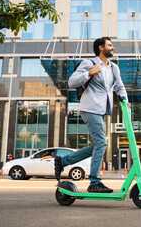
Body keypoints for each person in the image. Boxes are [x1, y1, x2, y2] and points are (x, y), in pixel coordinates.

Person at [54, 37, 129, 193]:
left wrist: (125, 101)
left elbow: (120, 87)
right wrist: (89, 73)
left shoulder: (114, 68)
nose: (113, 48)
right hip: (90, 108)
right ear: (101, 48)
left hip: (102, 110)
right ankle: (94, 182)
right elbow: (71, 82)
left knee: (97, 145)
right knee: (102, 143)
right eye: (110, 45)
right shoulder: (89, 63)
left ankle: (63, 161)